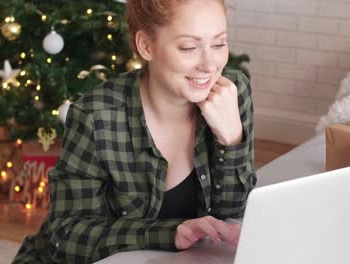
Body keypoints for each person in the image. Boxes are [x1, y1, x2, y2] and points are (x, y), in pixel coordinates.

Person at [13, 0, 256, 263]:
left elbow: (232, 214)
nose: (210, 64)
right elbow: (66, 236)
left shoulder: (230, 93)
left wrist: (231, 138)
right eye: (189, 47)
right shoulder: (97, 116)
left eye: (219, 44)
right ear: (146, 46)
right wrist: (170, 233)